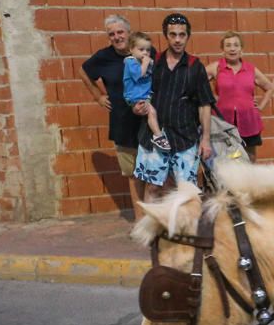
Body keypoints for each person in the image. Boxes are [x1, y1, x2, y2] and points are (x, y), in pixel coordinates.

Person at [132, 13, 214, 201]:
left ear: (188, 36)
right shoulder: (153, 63)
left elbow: (205, 105)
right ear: (166, 35)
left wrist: (206, 140)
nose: (177, 40)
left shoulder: (195, 67)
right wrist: (135, 107)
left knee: (187, 190)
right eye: (173, 34)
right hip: (154, 135)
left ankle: (184, 229)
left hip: (185, 137)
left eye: (182, 35)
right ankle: (153, 228)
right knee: (152, 186)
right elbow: (137, 92)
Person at [79, 14, 153, 214]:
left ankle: (156, 219)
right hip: (122, 124)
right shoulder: (103, 57)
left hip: (149, 122)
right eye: (111, 34)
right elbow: (83, 71)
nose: (116, 36)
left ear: (129, 33)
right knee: (133, 174)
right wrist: (98, 96)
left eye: (120, 32)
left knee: (156, 171)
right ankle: (140, 219)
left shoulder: (145, 50)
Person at [205, 31, 274, 162]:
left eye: (236, 45)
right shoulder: (217, 67)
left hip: (248, 121)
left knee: (250, 158)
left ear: (241, 49)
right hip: (223, 123)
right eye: (228, 45)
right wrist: (211, 97)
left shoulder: (251, 69)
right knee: (225, 159)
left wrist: (260, 107)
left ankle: (249, 183)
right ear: (223, 49)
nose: (232, 49)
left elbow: (270, 87)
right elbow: (197, 80)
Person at [123, 32, 170, 151]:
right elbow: (139, 75)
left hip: (145, 95)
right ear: (131, 50)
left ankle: (158, 134)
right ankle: (158, 136)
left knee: (154, 111)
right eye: (141, 49)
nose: (145, 53)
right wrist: (145, 63)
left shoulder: (145, 62)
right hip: (135, 96)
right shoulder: (131, 62)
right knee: (152, 112)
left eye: (148, 50)